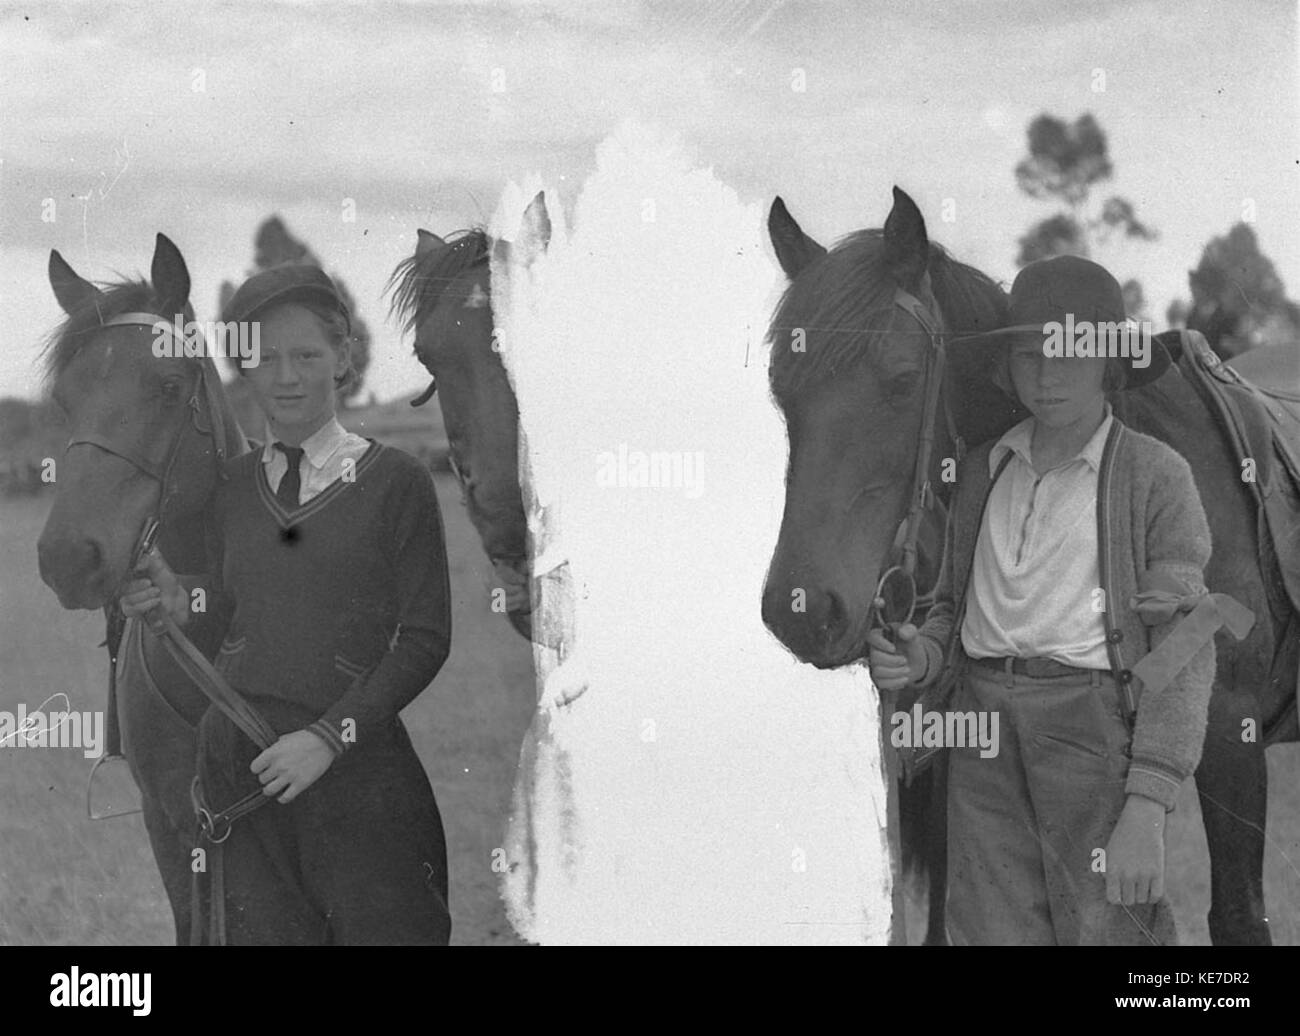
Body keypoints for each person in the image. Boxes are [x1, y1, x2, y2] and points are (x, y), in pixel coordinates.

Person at [868, 255, 1224, 945]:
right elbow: (951, 607)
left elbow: (1182, 647)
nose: (1047, 374)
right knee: (989, 931)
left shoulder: (1155, 477)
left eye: (1069, 352)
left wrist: (1147, 803)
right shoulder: (982, 470)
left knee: (1110, 933)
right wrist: (923, 657)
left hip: (1089, 731)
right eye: (1029, 355)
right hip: (981, 728)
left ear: (1107, 363)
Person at [122, 265, 453, 945]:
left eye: (306, 355)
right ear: (244, 371)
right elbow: (228, 615)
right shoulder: (233, 487)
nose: (287, 376)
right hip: (237, 774)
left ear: (345, 359)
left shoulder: (396, 482)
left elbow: (425, 638)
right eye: (265, 358)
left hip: (356, 773)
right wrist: (177, 602)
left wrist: (328, 741)